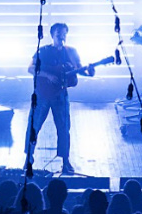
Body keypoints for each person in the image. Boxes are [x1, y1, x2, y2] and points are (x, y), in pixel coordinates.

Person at [24, 22, 93, 175]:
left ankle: (65, 161)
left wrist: (89, 72)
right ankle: (29, 157)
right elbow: (30, 68)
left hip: (61, 94)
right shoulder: (44, 51)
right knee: (34, 126)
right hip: (42, 94)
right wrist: (48, 75)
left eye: (64, 34)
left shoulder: (71, 52)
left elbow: (79, 69)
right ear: (52, 35)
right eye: (58, 34)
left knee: (64, 128)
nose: (62, 36)